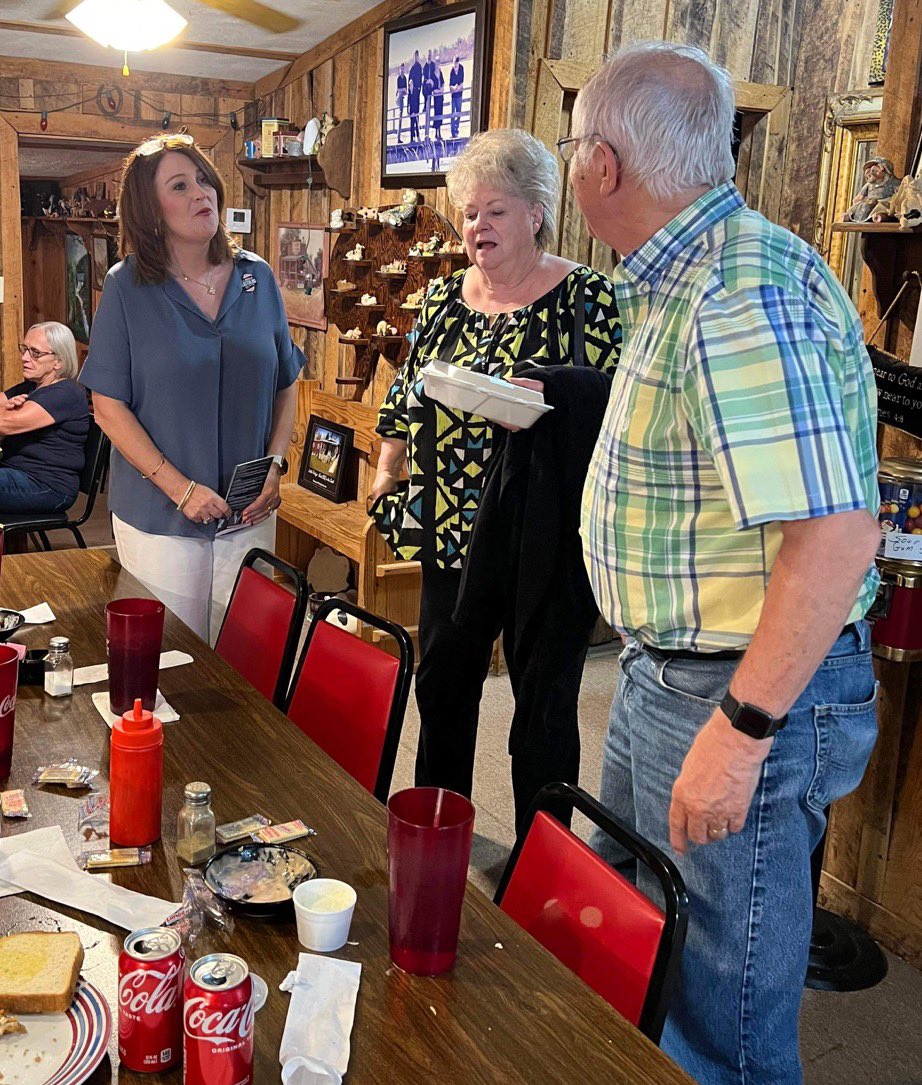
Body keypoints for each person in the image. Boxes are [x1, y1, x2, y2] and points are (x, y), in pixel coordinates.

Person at [571, 43, 880, 1085]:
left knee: (721, 1020)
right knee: (641, 937)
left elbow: (835, 533)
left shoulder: (733, 291)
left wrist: (742, 733)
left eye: (574, 147)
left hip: (730, 690)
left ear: (601, 166)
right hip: (673, 672)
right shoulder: (684, 276)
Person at [371, 128, 621, 829]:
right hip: (452, 526)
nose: (478, 226)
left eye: (496, 211)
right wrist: (388, 473)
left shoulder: (587, 298)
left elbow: (618, 403)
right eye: (470, 212)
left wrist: (552, 396)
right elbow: (406, 394)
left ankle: (542, 861)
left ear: (536, 213)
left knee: (543, 703)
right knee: (444, 687)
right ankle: (436, 832)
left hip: (546, 532)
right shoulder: (446, 297)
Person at [81, 132, 304, 643]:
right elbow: (107, 406)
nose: (201, 193)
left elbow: (285, 382)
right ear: (150, 211)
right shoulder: (126, 286)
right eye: (179, 186)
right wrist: (179, 489)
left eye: (204, 180)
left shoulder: (258, 278)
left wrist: (275, 466)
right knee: (172, 663)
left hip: (250, 510)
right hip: (161, 517)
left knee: (248, 657)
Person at [0, 322, 88, 513]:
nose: (24, 358)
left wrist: (5, 413)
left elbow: (5, 425)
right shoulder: (31, 386)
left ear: (59, 361)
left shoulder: (66, 392)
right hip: (18, 474)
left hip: (47, 486)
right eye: (24, 349)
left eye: (35, 353)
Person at [408, 51, 423, 144]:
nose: (416, 58)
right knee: (412, 119)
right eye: (415, 56)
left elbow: (420, 81)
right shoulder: (412, 69)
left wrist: (417, 88)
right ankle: (411, 138)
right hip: (411, 102)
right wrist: (408, 108)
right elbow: (408, 102)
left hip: (416, 98)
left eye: (417, 56)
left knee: (416, 118)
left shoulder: (419, 67)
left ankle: (418, 136)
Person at [449, 56, 464, 138]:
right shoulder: (451, 71)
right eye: (454, 63)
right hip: (453, 95)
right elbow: (450, 84)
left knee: (458, 113)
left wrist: (458, 88)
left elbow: (462, 82)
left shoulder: (461, 68)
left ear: (458, 63)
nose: (455, 65)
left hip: (459, 94)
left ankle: (456, 129)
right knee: (452, 114)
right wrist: (453, 89)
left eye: (456, 63)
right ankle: (452, 132)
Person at [422, 50, 437, 135]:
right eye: (428, 55)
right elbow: (424, 78)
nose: (429, 57)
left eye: (430, 55)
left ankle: (434, 127)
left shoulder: (433, 65)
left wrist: (432, 81)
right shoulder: (425, 66)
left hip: (433, 87)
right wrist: (428, 80)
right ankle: (426, 128)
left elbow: (435, 76)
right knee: (426, 102)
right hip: (427, 87)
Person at [395, 63, 408, 144]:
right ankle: (398, 138)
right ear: (400, 70)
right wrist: (402, 90)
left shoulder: (405, 78)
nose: (402, 71)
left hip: (403, 98)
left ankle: (399, 137)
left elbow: (405, 90)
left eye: (403, 69)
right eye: (401, 69)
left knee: (402, 117)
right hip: (399, 99)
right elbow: (399, 90)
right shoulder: (398, 78)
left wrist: (403, 90)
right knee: (400, 117)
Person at [431, 65, 445, 140]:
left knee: (440, 115)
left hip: (441, 97)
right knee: (437, 114)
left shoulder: (440, 73)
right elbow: (433, 89)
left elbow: (443, 83)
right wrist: (439, 91)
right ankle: (437, 133)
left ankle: (439, 133)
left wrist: (442, 89)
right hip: (436, 98)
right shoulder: (433, 75)